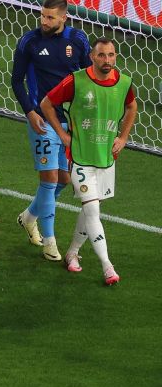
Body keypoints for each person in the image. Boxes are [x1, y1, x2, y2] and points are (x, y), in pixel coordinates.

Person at [41, 38, 136, 285]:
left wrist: (123, 138)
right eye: (102, 55)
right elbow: (47, 103)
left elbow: (132, 106)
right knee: (93, 210)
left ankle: (72, 253)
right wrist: (62, 135)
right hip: (80, 158)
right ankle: (108, 266)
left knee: (89, 208)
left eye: (111, 55)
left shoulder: (124, 83)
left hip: (106, 158)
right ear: (92, 57)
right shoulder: (76, 81)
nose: (107, 60)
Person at [11, 0, 92, 261]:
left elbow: (87, 79)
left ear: (63, 17)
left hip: (68, 122)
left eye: (50, 18)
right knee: (50, 180)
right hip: (42, 121)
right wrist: (30, 112)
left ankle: (29, 216)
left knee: (65, 179)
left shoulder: (78, 41)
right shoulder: (29, 41)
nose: (44, 21)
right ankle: (50, 241)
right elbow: (16, 81)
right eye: (42, 16)